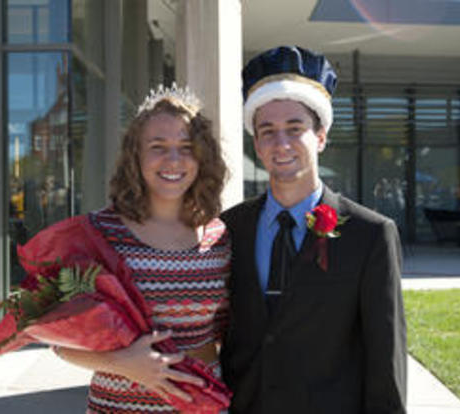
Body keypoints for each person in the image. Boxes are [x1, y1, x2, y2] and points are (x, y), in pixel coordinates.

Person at [220, 46, 407, 413]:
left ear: (321, 136)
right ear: (255, 143)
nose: (282, 144)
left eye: (295, 128)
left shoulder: (370, 235)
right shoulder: (229, 228)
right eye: (267, 131)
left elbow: (386, 359)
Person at [53, 85, 230, 413]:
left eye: (186, 147)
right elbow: (59, 342)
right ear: (135, 155)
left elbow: (222, 337)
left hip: (201, 406)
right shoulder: (100, 234)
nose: (173, 159)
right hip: (117, 406)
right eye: (157, 146)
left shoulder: (220, 238)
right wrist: (123, 363)